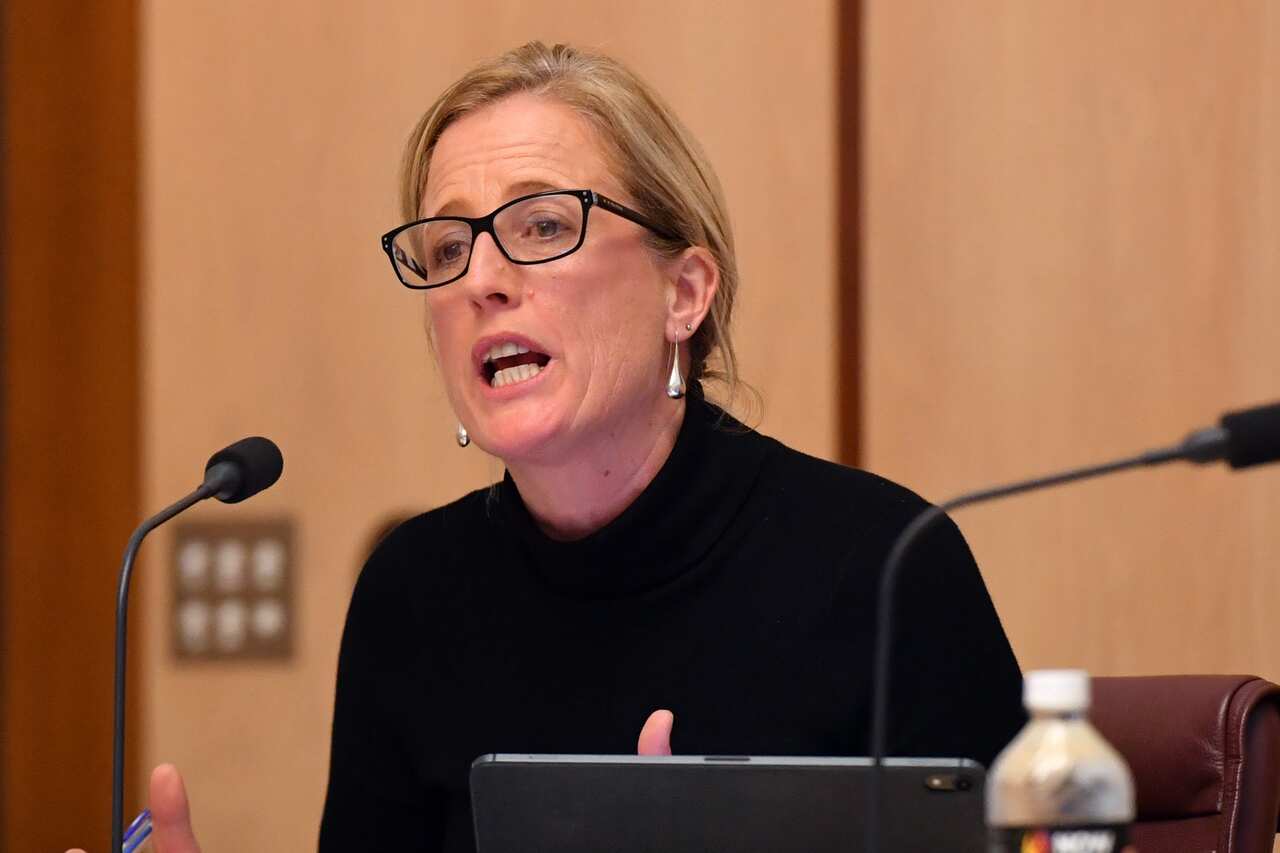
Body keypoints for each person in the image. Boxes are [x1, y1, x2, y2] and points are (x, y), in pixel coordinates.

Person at [70, 41, 1023, 853]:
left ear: (683, 293)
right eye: (445, 248)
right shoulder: (413, 594)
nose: (480, 277)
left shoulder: (887, 565)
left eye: (541, 225)